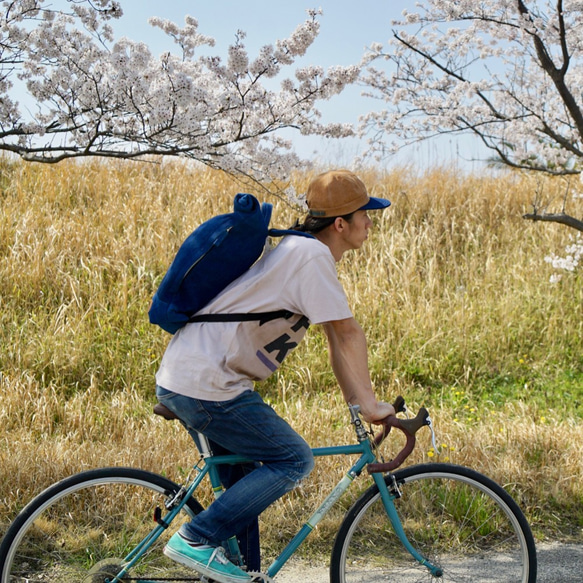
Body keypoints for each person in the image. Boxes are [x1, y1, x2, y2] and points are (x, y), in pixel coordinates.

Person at [156, 169, 395, 583]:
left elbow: (335, 343)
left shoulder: (299, 250)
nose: (370, 223)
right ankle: (194, 538)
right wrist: (372, 405)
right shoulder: (312, 257)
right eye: (365, 215)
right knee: (293, 460)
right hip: (210, 386)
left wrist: (358, 403)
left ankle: (239, 573)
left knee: (244, 492)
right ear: (341, 224)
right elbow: (348, 333)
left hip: (195, 376)